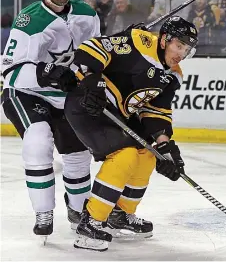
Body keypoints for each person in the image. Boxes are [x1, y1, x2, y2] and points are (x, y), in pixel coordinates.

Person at [63, 16, 198, 251]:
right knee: (125, 155)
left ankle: (120, 214)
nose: (181, 53)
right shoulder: (138, 42)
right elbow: (90, 48)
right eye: (179, 46)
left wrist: (165, 146)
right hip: (88, 105)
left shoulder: (173, 75)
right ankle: (91, 222)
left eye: (186, 49)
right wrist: (93, 80)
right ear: (165, 39)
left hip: (118, 116)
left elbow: (156, 111)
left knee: (148, 153)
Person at [1, 0, 99, 241]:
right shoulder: (28, 21)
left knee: (79, 156)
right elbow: (10, 71)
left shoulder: (87, 14)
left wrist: (92, 78)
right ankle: (43, 212)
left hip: (65, 96)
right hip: (26, 93)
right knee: (37, 141)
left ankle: (79, 212)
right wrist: (46, 74)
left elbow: (95, 54)